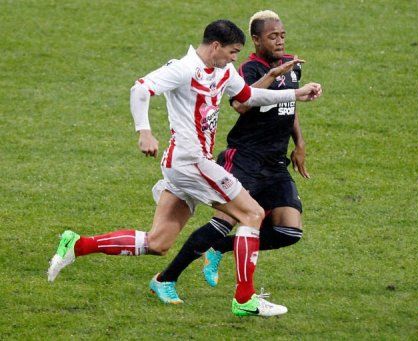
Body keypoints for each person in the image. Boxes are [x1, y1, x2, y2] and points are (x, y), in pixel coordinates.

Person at [47, 19, 322, 317]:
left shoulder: (222, 71)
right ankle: (244, 300)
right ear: (215, 46)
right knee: (253, 213)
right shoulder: (182, 69)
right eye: (232, 51)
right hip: (191, 162)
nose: (234, 58)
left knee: (158, 243)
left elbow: (249, 97)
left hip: (182, 164)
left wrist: (294, 94)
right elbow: (140, 89)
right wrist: (144, 131)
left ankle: (77, 245)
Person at [156, 10, 309, 302]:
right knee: (221, 223)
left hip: (275, 163)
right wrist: (272, 76)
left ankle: (222, 248)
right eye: (271, 36)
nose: (279, 41)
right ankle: (167, 278)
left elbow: (289, 103)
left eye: (282, 35)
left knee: (290, 231)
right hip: (245, 158)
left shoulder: (292, 65)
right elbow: (241, 104)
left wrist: (299, 143)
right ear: (256, 40)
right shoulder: (249, 68)